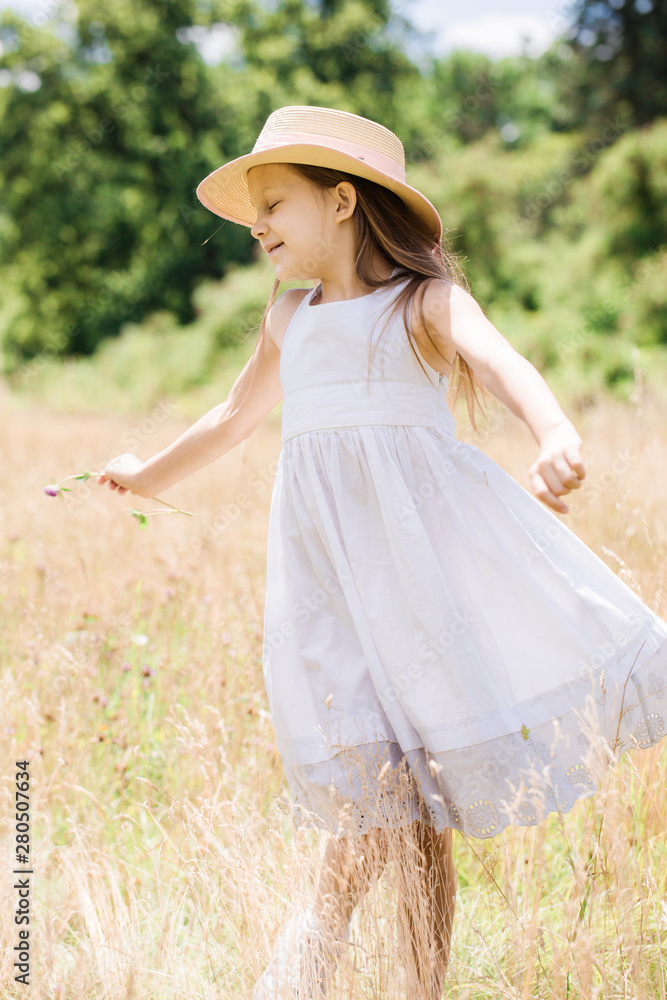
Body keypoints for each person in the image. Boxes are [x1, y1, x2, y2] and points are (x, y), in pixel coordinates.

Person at [98, 106, 667, 999]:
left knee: (417, 789)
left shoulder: (421, 302)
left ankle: (359, 964)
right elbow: (232, 416)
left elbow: (502, 364)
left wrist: (553, 431)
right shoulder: (289, 318)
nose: (256, 227)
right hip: (327, 585)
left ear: (340, 201)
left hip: (419, 581)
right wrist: (146, 474)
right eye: (254, 212)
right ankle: (329, 952)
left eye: (273, 205)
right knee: (378, 780)